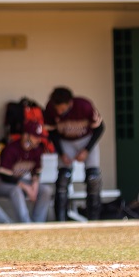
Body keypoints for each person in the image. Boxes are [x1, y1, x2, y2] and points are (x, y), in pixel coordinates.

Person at [44, 86, 105, 221]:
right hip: (65, 141)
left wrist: (87, 150)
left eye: (62, 109)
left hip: (86, 140)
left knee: (93, 178)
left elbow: (100, 128)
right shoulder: (49, 109)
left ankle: (94, 220)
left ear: (70, 103)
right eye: (57, 109)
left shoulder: (84, 106)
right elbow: (52, 133)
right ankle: (61, 221)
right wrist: (61, 153)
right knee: (63, 178)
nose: (59, 112)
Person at [0, 119, 52, 223]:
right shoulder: (11, 148)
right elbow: (5, 176)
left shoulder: (37, 149)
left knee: (46, 190)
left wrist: (34, 186)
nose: (39, 140)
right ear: (26, 135)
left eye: (40, 137)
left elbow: (36, 170)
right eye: (35, 137)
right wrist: (27, 188)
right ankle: (25, 224)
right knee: (16, 190)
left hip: (15, 181)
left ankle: (38, 224)